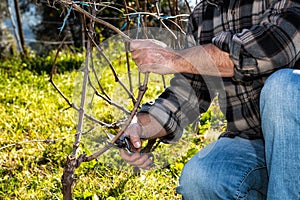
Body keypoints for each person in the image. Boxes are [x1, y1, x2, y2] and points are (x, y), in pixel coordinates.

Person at [120, 0, 300, 199]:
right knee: (199, 179)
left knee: (284, 86)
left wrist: (173, 58)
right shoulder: (203, 14)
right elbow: (188, 93)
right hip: (254, 145)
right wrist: (140, 126)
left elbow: (271, 49)